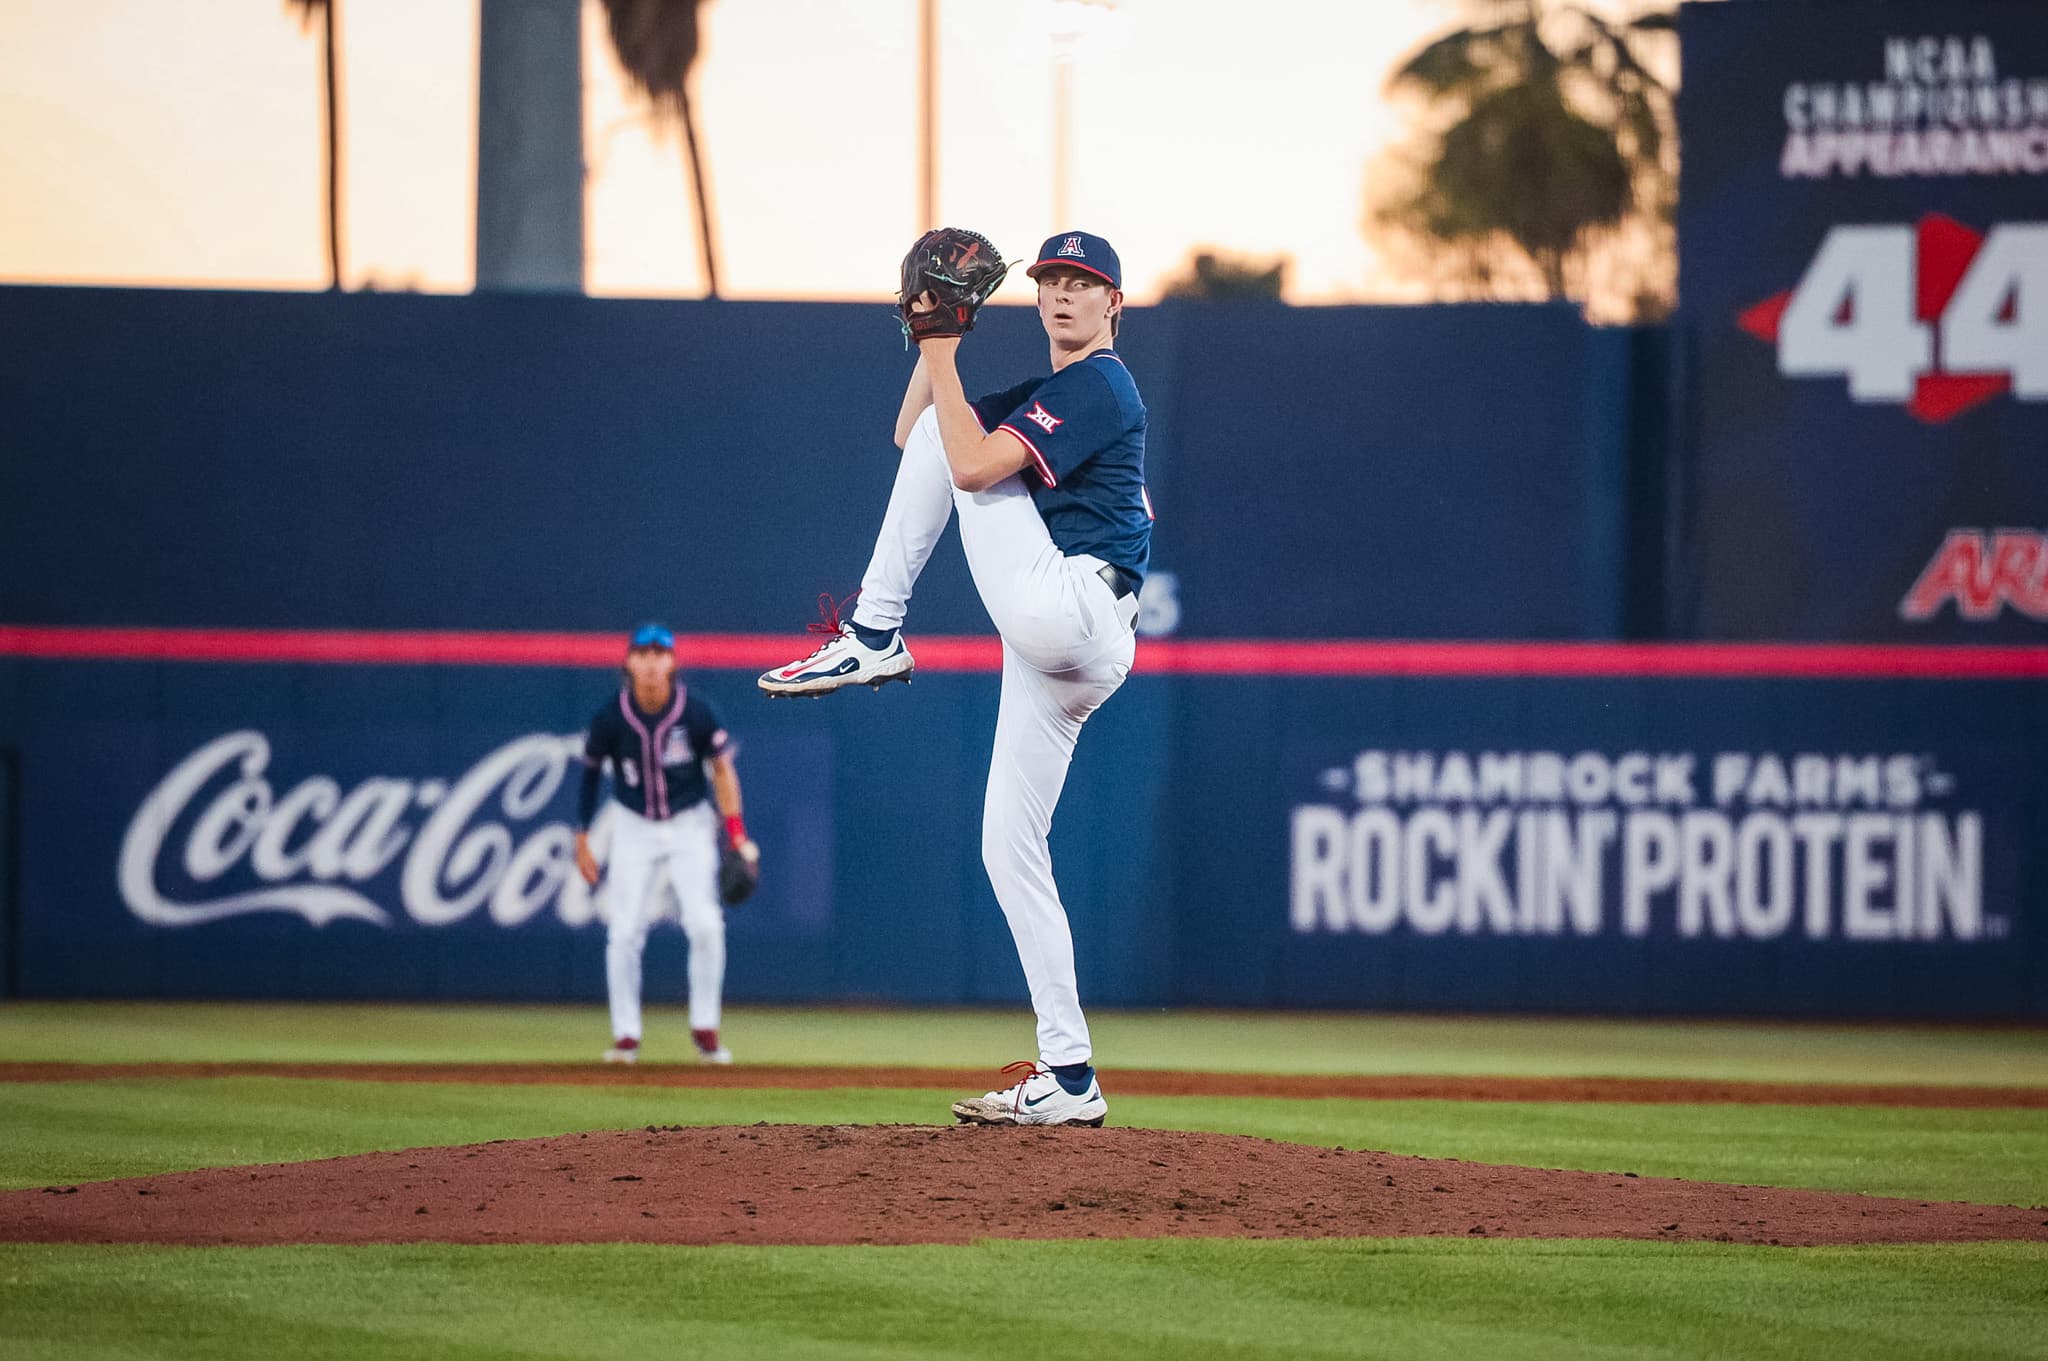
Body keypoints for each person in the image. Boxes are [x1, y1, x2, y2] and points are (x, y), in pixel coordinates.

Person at [760, 231, 1152, 1127]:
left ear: (1113, 306)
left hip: (1072, 607)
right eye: (1051, 278)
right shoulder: (1054, 389)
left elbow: (968, 464)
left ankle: (873, 632)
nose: (1062, 294)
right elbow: (916, 438)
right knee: (1008, 848)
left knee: (958, 441)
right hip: (1067, 647)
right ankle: (1071, 1076)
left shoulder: (1102, 382)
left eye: (1083, 284)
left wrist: (939, 343)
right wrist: (935, 335)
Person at [576, 622, 759, 1064]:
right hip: (633, 826)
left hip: (688, 825)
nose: (652, 662)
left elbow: (722, 772)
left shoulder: (695, 712)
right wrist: (582, 837)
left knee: (705, 924)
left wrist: (735, 834)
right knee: (623, 932)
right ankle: (626, 1036)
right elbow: (589, 775)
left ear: (673, 662)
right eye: (643, 654)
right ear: (629, 663)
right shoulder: (611, 716)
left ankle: (705, 1028)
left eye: (660, 654)